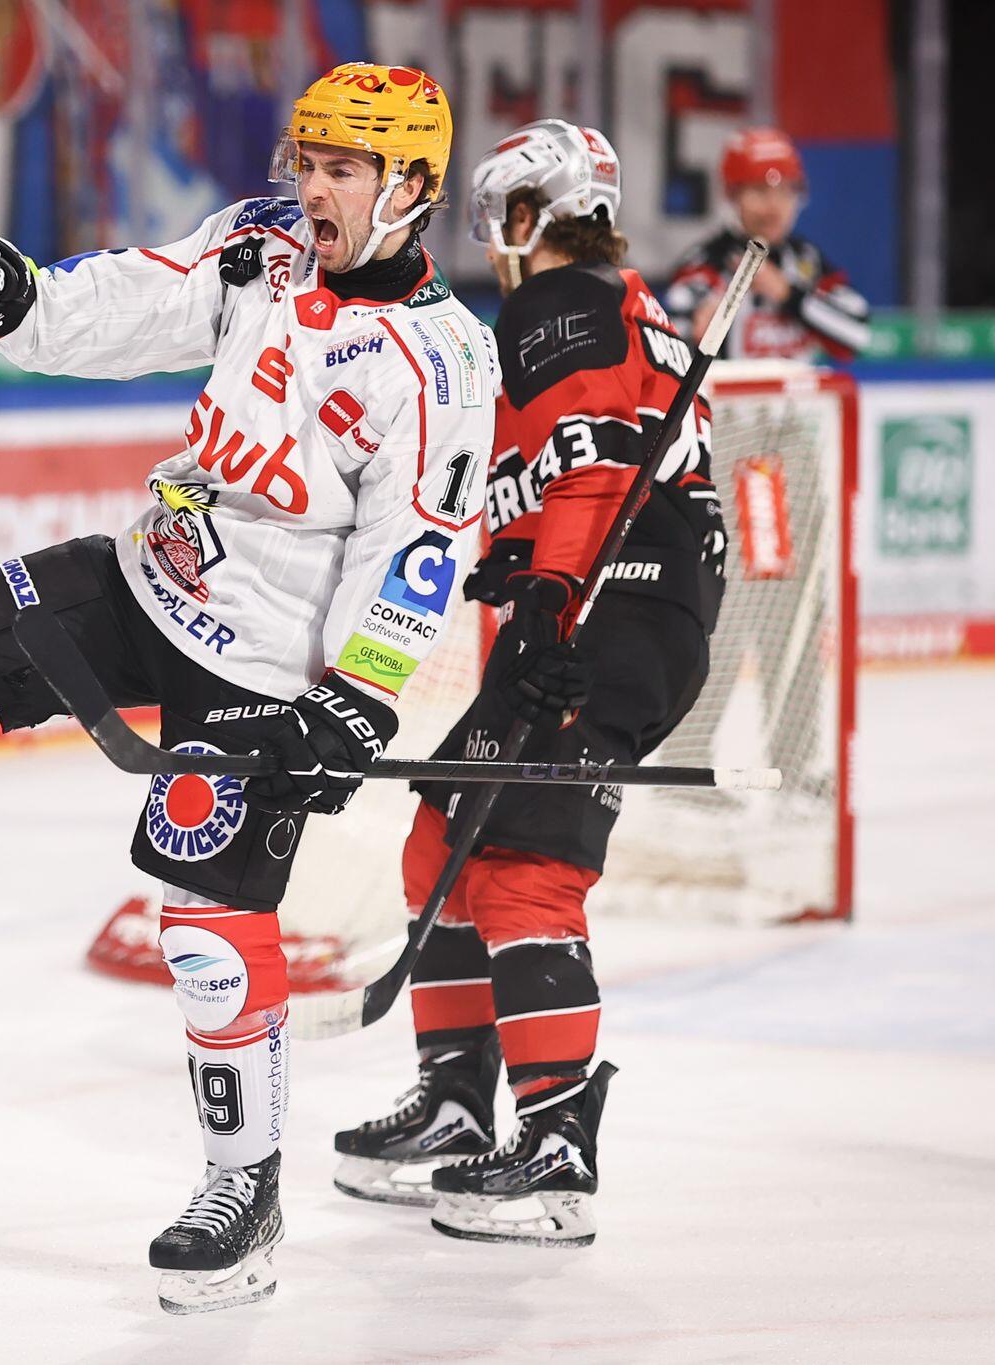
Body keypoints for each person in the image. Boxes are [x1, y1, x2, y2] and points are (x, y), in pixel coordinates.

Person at [0, 62, 499, 1313]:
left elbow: (418, 547)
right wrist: (17, 307)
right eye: (308, 160)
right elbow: (130, 300)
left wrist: (356, 696)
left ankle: (242, 1192)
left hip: (260, 663)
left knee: (206, 938)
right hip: (148, 579)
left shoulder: (441, 362)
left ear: (409, 189)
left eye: (343, 169)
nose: (314, 187)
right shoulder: (259, 246)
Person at [330, 119, 729, 1248]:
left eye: (497, 217)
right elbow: (568, 464)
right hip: (614, 607)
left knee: (524, 868)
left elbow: (596, 463)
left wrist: (548, 599)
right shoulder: (618, 304)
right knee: (442, 838)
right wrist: (521, 568)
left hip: (606, 614)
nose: (491, 240)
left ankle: (556, 1147)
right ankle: (456, 1106)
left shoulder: (557, 300)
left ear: (525, 213)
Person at [664, 126, 870, 361]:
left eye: (785, 191)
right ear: (732, 195)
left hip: (796, 385)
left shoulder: (806, 259)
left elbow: (859, 334)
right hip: (728, 386)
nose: (774, 206)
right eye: (760, 191)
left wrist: (788, 294)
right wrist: (702, 331)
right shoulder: (704, 263)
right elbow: (670, 351)